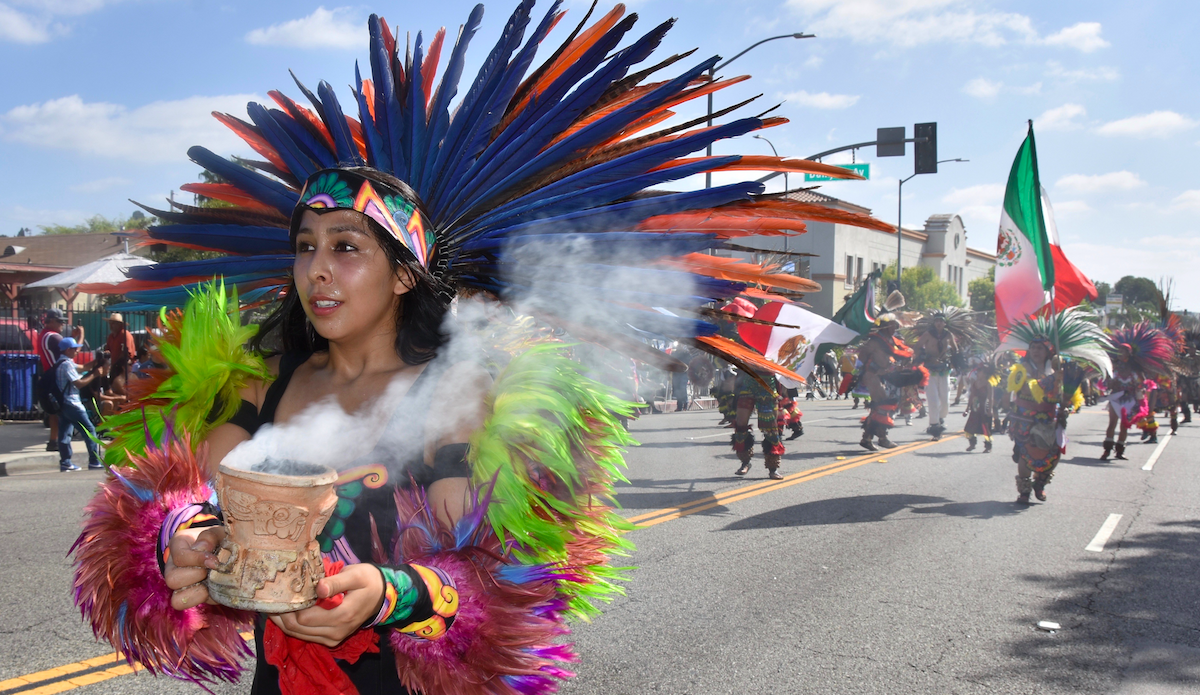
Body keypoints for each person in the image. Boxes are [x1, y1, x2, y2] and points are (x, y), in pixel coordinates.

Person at [69, 7, 896, 693]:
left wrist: (390, 594)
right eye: (306, 246)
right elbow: (172, 496)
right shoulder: (263, 389)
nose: (317, 269)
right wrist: (181, 541)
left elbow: (505, 578)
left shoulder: (455, 396)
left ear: (403, 274)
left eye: (347, 247)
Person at [998, 308, 1108, 502]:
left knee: (1052, 455)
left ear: (1048, 351)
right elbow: (1026, 389)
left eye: (1040, 348)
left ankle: (1039, 484)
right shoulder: (1022, 368)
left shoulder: (1058, 369)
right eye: (1033, 347)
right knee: (1026, 453)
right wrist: (1052, 380)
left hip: (1050, 418)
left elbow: (1069, 396)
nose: (1035, 351)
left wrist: (1066, 401)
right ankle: (1024, 491)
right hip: (1026, 418)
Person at [857, 317, 912, 451]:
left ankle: (867, 438)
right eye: (892, 325)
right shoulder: (875, 340)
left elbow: (891, 358)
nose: (895, 328)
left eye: (895, 325)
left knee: (878, 407)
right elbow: (862, 356)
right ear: (885, 326)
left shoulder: (890, 340)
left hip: (881, 377)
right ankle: (882, 438)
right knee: (884, 405)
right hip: (872, 376)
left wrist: (895, 366)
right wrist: (871, 370)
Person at [53, 337, 105, 471]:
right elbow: (79, 383)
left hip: (62, 404)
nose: (77, 351)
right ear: (68, 350)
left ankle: (65, 462)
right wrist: (94, 375)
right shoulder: (67, 365)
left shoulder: (61, 362)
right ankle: (94, 461)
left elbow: (83, 368)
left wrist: (98, 361)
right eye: (75, 349)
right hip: (72, 403)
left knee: (65, 433)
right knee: (90, 430)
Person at [916, 314, 958, 439]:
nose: (939, 323)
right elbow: (917, 347)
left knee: (945, 400)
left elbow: (955, 350)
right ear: (934, 323)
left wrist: (951, 358)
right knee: (933, 400)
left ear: (945, 323)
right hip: (929, 371)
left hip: (944, 370)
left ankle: (940, 417)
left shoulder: (948, 335)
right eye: (937, 321)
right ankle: (934, 427)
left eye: (941, 321)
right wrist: (928, 358)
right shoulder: (927, 334)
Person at [38, 308, 65, 451]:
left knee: (54, 412)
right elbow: (71, 352)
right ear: (52, 321)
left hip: (49, 374)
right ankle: (60, 440)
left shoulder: (44, 335)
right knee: (62, 410)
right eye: (60, 321)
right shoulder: (53, 336)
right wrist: (80, 336)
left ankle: (54, 440)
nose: (62, 325)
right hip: (56, 376)